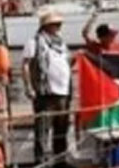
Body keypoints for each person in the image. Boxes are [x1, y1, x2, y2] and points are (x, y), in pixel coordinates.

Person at [23, 10, 71, 168]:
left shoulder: (61, 43)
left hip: (63, 92)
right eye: (55, 24)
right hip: (45, 93)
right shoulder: (34, 42)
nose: (58, 27)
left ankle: (60, 161)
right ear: (46, 25)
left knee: (61, 129)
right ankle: (41, 162)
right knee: (43, 129)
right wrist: (28, 86)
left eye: (59, 24)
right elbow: (25, 65)